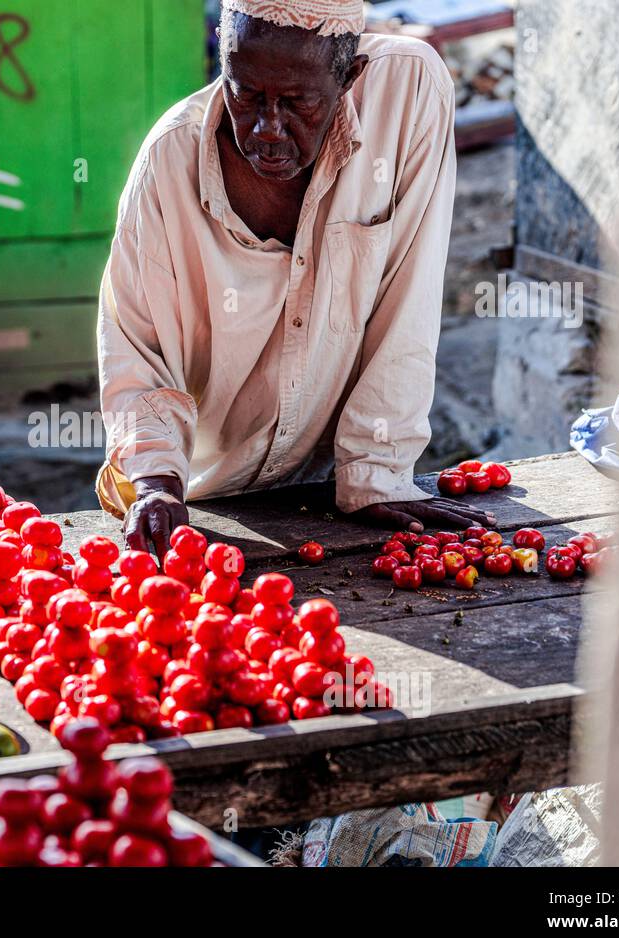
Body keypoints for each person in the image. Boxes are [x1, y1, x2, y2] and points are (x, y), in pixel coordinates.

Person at [96, 0, 495, 556]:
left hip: (335, 492)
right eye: (246, 94)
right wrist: (157, 483)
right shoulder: (168, 162)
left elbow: (411, 295)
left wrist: (377, 472)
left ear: (349, 78)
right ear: (223, 63)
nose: (267, 129)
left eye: (298, 102)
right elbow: (135, 346)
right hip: (213, 498)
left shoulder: (408, 93)